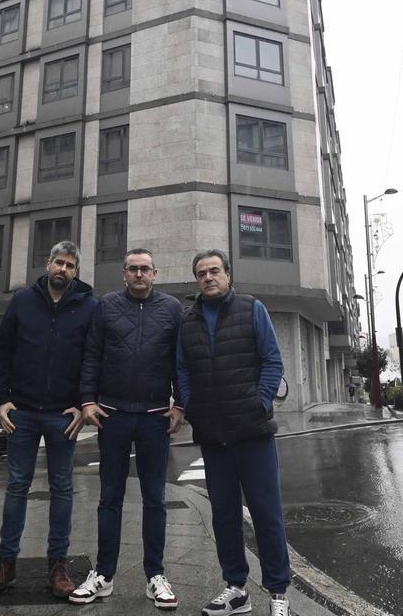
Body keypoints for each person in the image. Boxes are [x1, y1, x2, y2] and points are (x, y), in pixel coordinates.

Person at [0, 241, 97, 599]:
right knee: (16, 486)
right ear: (47, 263)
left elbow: (94, 358)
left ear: (76, 271)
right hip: (22, 413)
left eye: (70, 265)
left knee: (62, 488)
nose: (63, 269)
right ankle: (6, 564)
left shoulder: (89, 307)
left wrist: (82, 403)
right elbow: (1, 352)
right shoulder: (23, 300)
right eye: (58, 262)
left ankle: (58, 565)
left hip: (63, 415)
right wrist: (2, 400)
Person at [176, 249, 290, 616]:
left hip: (253, 431)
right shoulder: (187, 320)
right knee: (223, 515)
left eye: (214, 271)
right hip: (212, 435)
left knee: (266, 513)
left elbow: (272, 360)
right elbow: (182, 370)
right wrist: (192, 407)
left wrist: (259, 402)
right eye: (201, 273)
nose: (208, 277)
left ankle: (278, 593)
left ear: (228, 274)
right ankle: (236, 589)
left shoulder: (251, 308)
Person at [70, 248, 185, 609]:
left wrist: (180, 404)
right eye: (132, 269)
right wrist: (87, 400)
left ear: (155, 273)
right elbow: (91, 355)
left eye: (145, 269)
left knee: (155, 499)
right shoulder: (106, 306)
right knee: (109, 498)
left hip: (154, 418)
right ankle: (103, 575)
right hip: (112, 416)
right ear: (124, 274)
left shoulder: (172, 309)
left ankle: (155, 576)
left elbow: (180, 361)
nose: (139, 274)